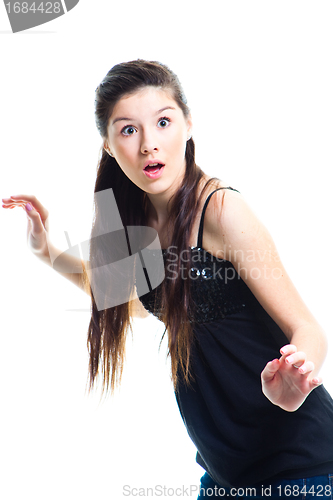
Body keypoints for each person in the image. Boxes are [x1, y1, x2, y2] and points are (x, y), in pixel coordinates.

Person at [2, 59, 333, 499]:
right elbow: (118, 294)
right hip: (223, 474)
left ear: (188, 125)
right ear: (107, 145)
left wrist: (297, 376)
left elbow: (306, 327)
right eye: (128, 129)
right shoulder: (137, 225)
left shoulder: (219, 211)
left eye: (162, 122)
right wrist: (44, 249)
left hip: (301, 468)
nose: (148, 145)